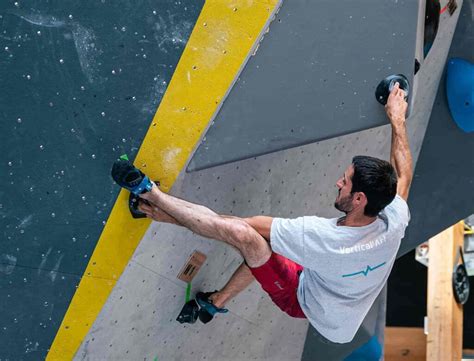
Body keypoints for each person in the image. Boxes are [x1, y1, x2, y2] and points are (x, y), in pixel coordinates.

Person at [111, 83, 412, 344]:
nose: (338, 182)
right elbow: (403, 175)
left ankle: (149, 194)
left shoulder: (324, 239)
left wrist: (166, 208)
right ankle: (215, 303)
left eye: (344, 182)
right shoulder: (391, 220)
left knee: (248, 239)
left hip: (305, 301)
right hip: (334, 293)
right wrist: (396, 119)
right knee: (264, 247)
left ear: (359, 199)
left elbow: (230, 227)